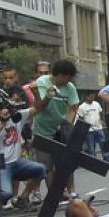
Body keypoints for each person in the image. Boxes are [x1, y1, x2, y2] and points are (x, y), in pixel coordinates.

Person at [32, 59, 81, 198]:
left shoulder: (70, 87)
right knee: (46, 165)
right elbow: (40, 107)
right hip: (43, 130)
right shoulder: (42, 82)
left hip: (60, 131)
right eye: (68, 77)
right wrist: (48, 96)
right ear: (61, 75)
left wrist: (67, 124)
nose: (69, 80)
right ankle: (54, 193)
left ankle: (71, 191)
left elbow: (74, 107)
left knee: (66, 162)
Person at [0, 101, 45, 211]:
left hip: (17, 162)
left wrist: (38, 93)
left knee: (40, 169)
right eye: (12, 107)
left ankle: (23, 199)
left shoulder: (18, 117)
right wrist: (2, 122)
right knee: (6, 194)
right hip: (2, 164)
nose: (15, 110)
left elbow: (39, 107)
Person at [76, 91, 108, 161]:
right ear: (86, 97)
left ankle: (106, 159)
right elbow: (80, 118)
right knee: (91, 148)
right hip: (89, 130)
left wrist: (102, 120)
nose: (92, 98)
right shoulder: (82, 107)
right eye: (91, 97)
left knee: (103, 145)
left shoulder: (96, 104)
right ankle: (93, 161)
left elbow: (100, 112)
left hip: (99, 128)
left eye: (93, 96)